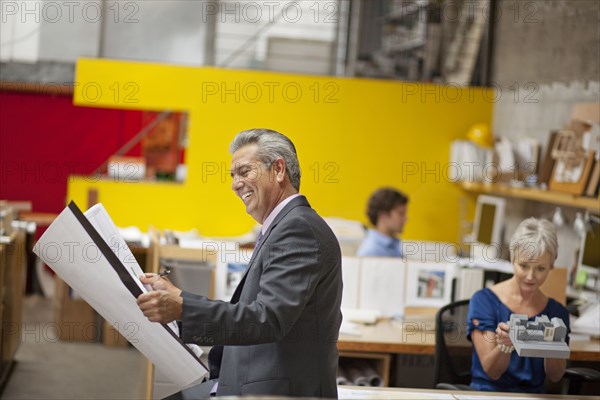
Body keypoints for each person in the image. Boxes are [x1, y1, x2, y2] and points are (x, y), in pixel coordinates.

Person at [136, 129, 343, 398]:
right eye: (233, 176)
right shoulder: (283, 227)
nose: (235, 184)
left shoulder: (298, 230)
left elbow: (268, 318)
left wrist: (184, 308)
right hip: (248, 381)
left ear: (279, 169)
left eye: (244, 171)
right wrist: (178, 303)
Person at [466, 218, 569, 393]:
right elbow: (492, 372)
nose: (530, 276)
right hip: (488, 392)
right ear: (513, 259)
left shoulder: (557, 312)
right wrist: (505, 345)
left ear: (551, 266)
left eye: (540, 269)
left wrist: (554, 345)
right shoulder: (484, 301)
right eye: (524, 266)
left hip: (533, 396)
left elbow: (555, 376)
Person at [356, 187, 409, 257]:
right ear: (383, 215)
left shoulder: (393, 246)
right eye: (401, 213)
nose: (406, 219)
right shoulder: (371, 251)